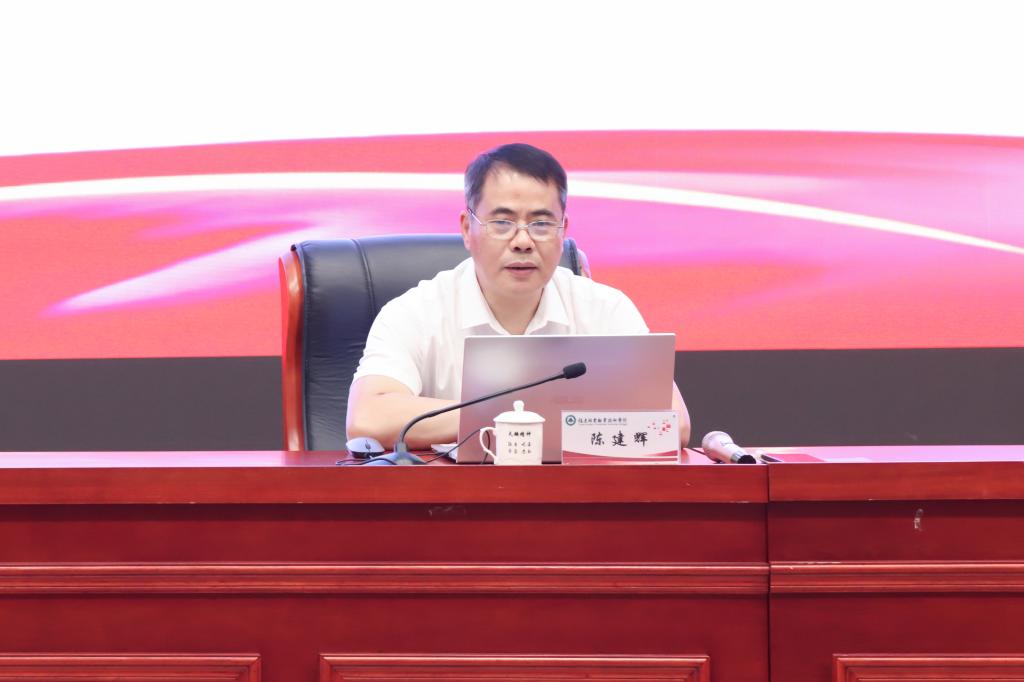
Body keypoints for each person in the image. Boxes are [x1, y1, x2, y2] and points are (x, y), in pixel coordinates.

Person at [346, 143, 691, 449]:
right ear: (467, 229)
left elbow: (673, 423)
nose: (523, 241)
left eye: (541, 224)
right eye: (502, 223)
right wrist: (519, 416)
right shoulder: (415, 312)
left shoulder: (605, 309)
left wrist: (516, 417)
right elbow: (368, 419)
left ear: (563, 231)